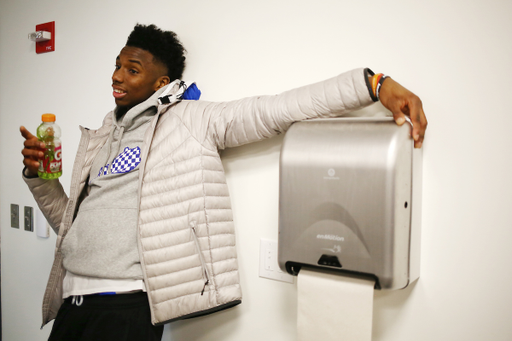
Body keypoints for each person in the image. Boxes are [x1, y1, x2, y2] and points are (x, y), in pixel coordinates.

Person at [20, 24, 427, 341]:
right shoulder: (100, 136)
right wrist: (39, 177)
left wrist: (371, 84)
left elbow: (276, 109)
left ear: (161, 83)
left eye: (132, 69)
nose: (117, 76)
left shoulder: (192, 121)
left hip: (124, 310)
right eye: (117, 65)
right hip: (70, 306)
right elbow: (70, 230)